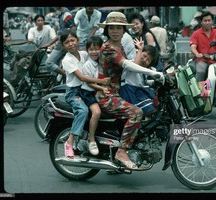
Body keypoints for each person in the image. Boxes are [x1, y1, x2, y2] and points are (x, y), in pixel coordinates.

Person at [96, 11, 163, 169]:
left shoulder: (119, 47)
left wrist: (153, 73)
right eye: (111, 28)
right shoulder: (108, 48)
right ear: (107, 30)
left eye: (119, 28)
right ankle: (121, 152)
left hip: (116, 92)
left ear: (123, 30)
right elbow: (127, 65)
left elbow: (133, 64)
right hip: (106, 95)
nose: (115, 31)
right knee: (136, 113)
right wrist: (152, 72)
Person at [60, 29, 110, 159]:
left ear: (77, 40)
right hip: (74, 92)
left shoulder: (83, 53)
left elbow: (97, 54)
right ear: (63, 46)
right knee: (82, 111)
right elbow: (82, 77)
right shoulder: (67, 60)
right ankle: (69, 141)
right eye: (67, 42)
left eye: (72, 40)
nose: (71, 44)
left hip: (87, 89)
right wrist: (101, 82)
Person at [80, 35, 110, 155]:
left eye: (97, 49)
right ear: (87, 50)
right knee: (96, 112)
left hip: (97, 91)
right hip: (87, 92)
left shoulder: (100, 62)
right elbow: (90, 83)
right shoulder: (88, 64)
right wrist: (102, 87)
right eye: (91, 49)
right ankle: (91, 138)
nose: (94, 52)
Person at [120, 38, 159, 116]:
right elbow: (135, 67)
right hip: (129, 91)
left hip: (138, 92)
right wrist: (140, 49)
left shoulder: (146, 70)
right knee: (150, 109)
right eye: (144, 56)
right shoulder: (130, 63)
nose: (144, 60)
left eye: (148, 60)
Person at [45, 7, 76, 77]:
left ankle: (67, 76)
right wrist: (49, 44)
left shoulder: (66, 14)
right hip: (61, 44)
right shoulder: (62, 14)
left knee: (49, 63)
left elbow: (73, 28)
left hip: (61, 45)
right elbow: (59, 34)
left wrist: (67, 44)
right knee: (55, 68)